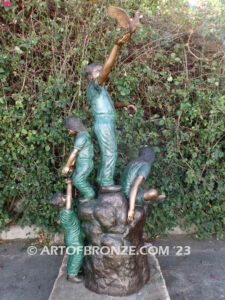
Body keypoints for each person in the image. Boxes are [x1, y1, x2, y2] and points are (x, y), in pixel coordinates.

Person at [84, 32, 137, 193]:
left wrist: (125, 104)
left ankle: (102, 179)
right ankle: (106, 183)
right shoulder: (94, 86)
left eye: (101, 70)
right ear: (90, 76)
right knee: (110, 153)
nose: (101, 73)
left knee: (108, 152)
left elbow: (110, 104)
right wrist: (117, 46)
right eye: (98, 71)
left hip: (105, 122)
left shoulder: (100, 90)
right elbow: (107, 70)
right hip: (103, 123)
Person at [50, 178, 83, 283]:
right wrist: (69, 185)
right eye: (63, 197)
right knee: (78, 253)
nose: (65, 196)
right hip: (73, 237)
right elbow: (69, 198)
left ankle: (74, 269)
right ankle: (72, 275)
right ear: (61, 203)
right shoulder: (66, 213)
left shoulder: (63, 212)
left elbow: (68, 199)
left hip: (73, 236)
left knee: (74, 254)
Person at [120, 147, 165, 223]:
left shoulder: (133, 162)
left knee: (147, 190)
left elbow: (139, 183)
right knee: (154, 192)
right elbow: (135, 185)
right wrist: (131, 210)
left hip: (122, 189)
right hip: (129, 194)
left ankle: (151, 199)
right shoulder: (145, 165)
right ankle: (152, 200)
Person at [62, 116, 95, 201]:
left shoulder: (82, 137)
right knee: (75, 177)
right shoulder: (81, 135)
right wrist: (72, 165)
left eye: (69, 130)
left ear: (74, 128)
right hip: (81, 163)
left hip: (85, 164)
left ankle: (90, 194)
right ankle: (87, 195)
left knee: (78, 180)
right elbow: (78, 154)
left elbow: (74, 153)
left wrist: (67, 166)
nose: (69, 132)